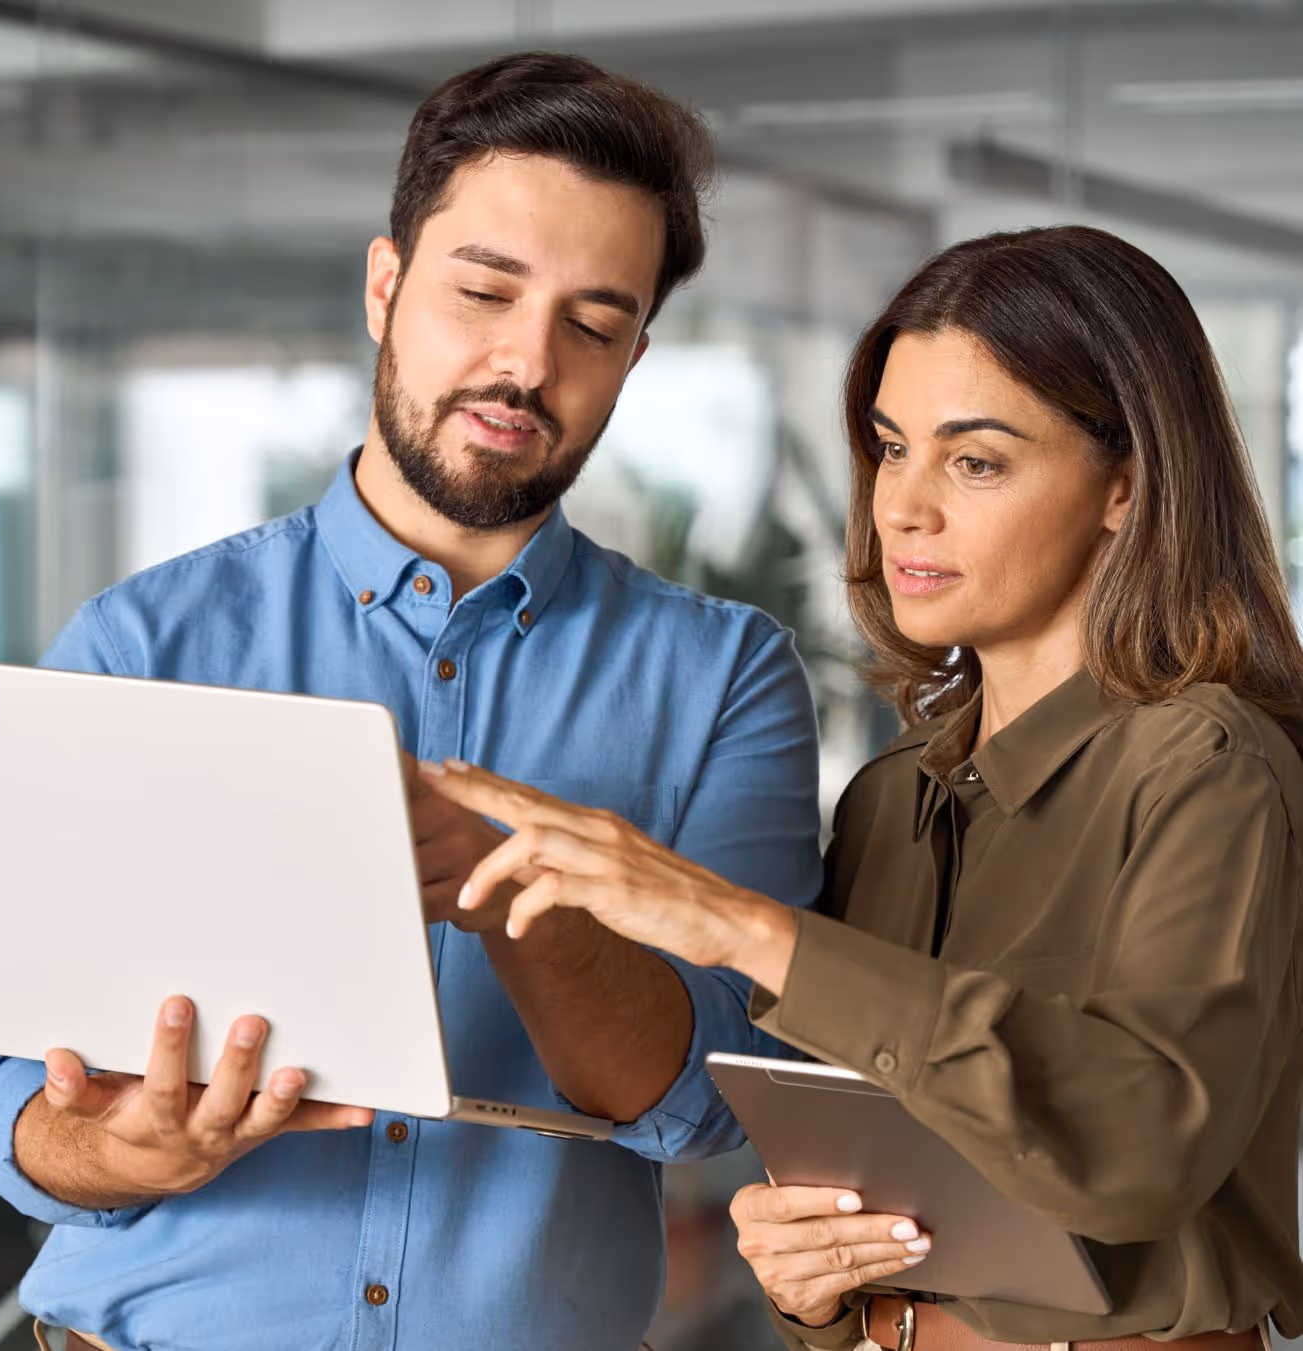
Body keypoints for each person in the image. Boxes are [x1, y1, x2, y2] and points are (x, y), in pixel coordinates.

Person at [0, 52, 824, 1351]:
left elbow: (710, 1100)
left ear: (634, 356)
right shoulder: (141, 642)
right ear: (384, 286)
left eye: (591, 325)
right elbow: (4, 1105)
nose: (524, 362)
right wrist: (120, 1150)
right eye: (483, 291)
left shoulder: (724, 677)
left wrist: (506, 882)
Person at [425, 225, 1303, 1351]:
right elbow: (873, 1194)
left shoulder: (1210, 768)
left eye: (974, 461)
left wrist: (742, 926)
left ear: (1124, 486)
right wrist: (814, 1285)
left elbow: (1139, 1150)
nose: (902, 507)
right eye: (891, 449)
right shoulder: (890, 798)